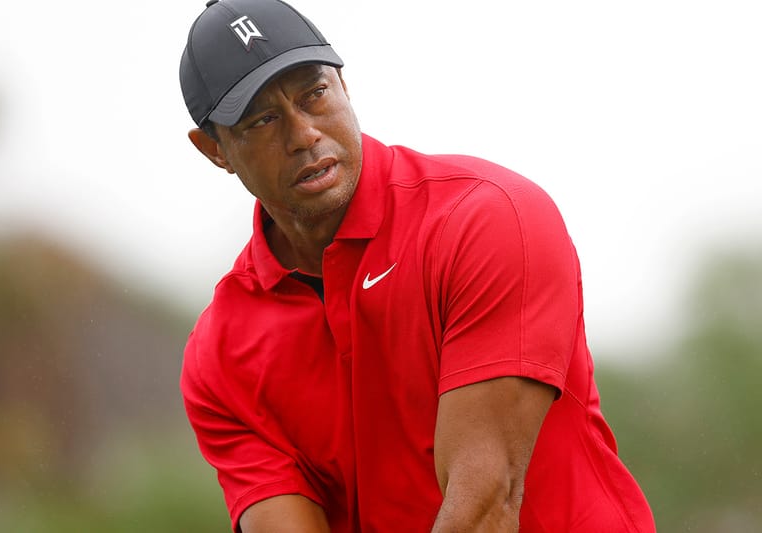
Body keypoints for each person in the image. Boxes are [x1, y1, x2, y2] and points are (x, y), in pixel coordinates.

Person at [178, 0, 656, 531]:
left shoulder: (487, 220)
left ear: (343, 85)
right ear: (214, 150)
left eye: (314, 94)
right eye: (264, 119)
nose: (304, 134)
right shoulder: (219, 354)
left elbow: (484, 507)